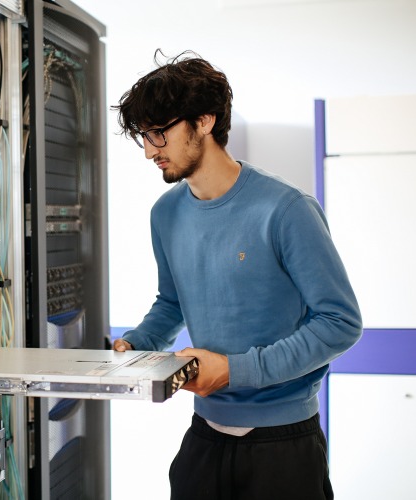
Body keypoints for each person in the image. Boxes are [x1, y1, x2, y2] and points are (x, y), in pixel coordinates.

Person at [111, 51, 362, 500]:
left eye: (159, 133)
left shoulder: (285, 209)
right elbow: (172, 302)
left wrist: (234, 370)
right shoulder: (165, 213)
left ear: (204, 121)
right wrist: (138, 343)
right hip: (203, 439)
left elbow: (339, 323)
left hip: (284, 445)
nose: (150, 150)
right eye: (143, 137)